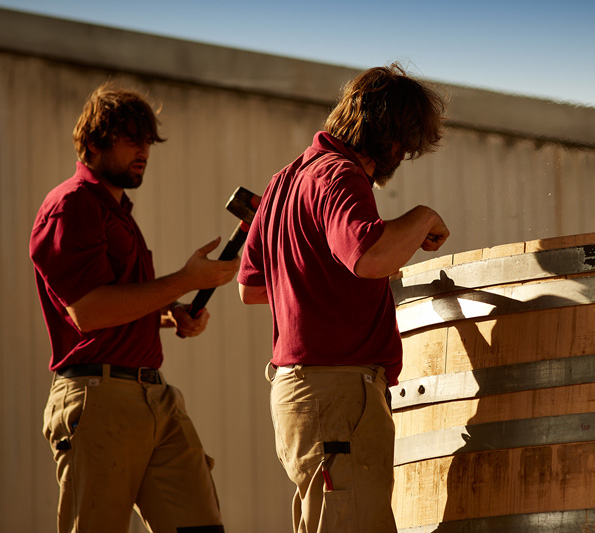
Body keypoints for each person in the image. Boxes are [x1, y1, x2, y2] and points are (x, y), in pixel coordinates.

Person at [237, 63, 449, 532]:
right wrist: (422, 217)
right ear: (389, 136)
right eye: (404, 144)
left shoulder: (285, 180)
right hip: (336, 396)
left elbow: (251, 287)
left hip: (301, 395)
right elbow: (369, 256)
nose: (401, 156)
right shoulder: (340, 174)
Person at [29, 82, 239, 533]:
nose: (143, 150)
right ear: (91, 144)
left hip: (154, 396)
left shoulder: (115, 210)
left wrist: (172, 312)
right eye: (130, 139)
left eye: (146, 140)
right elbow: (87, 312)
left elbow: (119, 301)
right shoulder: (71, 206)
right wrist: (186, 280)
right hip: (97, 397)